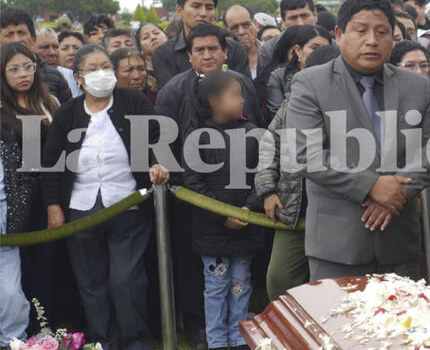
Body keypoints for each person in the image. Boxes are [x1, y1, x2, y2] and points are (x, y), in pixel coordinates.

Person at [286, 0, 430, 280]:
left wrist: (397, 193)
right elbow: (305, 155)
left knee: (402, 323)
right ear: (339, 34)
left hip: (399, 244)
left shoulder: (415, 86)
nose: (372, 40)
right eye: (361, 30)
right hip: (337, 247)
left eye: (382, 32)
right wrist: (371, 185)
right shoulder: (310, 83)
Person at [42, 44, 169, 350]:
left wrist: (158, 162)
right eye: (93, 69)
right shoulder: (67, 113)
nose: (102, 74)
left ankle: (136, 341)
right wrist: (53, 206)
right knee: (91, 282)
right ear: (79, 78)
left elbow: (158, 137)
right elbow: (49, 163)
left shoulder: (133, 100)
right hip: (81, 208)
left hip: (127, 203)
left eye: (106, 67)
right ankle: (103, 342)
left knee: (126, 279)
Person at [182, 70, 262, 350]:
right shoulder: (197, 138)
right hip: (212, 230)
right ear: (214, 101)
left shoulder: (252, 133)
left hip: (245, 224)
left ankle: (239, 336)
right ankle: (216, 340)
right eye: (235, 95)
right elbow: (193, 183)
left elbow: (261, 177)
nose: (242, 101)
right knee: (216, 287)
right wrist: (223, 214)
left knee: (241, 283)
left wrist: (247, 208)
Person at [256, 44, 341, 301]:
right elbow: (270, 143)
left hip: (339, 212)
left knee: (330, 285)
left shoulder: (352, 106)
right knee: (279, 279)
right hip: (294, 208)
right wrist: (267, 190)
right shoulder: (292, 102)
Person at [1, 42, 60, 331]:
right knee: (16, 266)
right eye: (13, 69)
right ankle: (18, 330)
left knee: (46, 265)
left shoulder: (50, 104)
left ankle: (46, 326)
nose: (23, 74)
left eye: (28, 67)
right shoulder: (1, 111)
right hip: (12, 199)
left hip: (48, 194)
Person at [156, 24, 265, 130]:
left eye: (212, 49)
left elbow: (258, 127)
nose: (207, 56)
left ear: (225, 52)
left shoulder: (242, 83)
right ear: (189, 55)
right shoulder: (172, 91)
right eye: (199, 50)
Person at [152, 0, 251, 89]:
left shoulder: (234, 49)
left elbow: (246, 93)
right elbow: (170, 98)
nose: (203, 13)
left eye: (209, 8)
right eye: (196, 6)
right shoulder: (164, 54)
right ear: (179, 10)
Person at [0, 128, 33, 348]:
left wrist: (17, 219)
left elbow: (22, 180)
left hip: (6, 223)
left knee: (11, 293)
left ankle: (12, 342)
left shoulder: (5, 138)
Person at [1, 7, 72, 103]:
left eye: (21, 33)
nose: (17, 39)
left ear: (34, 39)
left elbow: (69, 115)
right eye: (9, 34)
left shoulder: (54, 77)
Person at [265, 25, 332, 117]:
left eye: (325, 49)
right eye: (314, 48)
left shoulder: (337, 75)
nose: (320, 53)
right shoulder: (279, 77)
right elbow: (277, 115)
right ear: (298, 50)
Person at [256, 0, 318, 73]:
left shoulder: (330, 44)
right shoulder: (269, 50)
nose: (300, 23)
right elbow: (264, 83)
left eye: (305, 16)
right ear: (283, 21)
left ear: (315, 15)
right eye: (293, 18)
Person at [34, 27, 83, 98]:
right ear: (31, 49)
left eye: (55, 47)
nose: (52, 53)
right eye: (45, 47)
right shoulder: (26, 78)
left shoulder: (72, 76)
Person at [224, 4, 261, 79]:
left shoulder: (271, 54)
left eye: (246, 25)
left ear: (256, 24)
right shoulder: (222, 61)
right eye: (234, 28)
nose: (241, 32)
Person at [135, 23, 168, 92]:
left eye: (156, 33)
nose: (153, 37)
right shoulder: (142, 73)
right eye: (145, 37)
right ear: (140, 48)